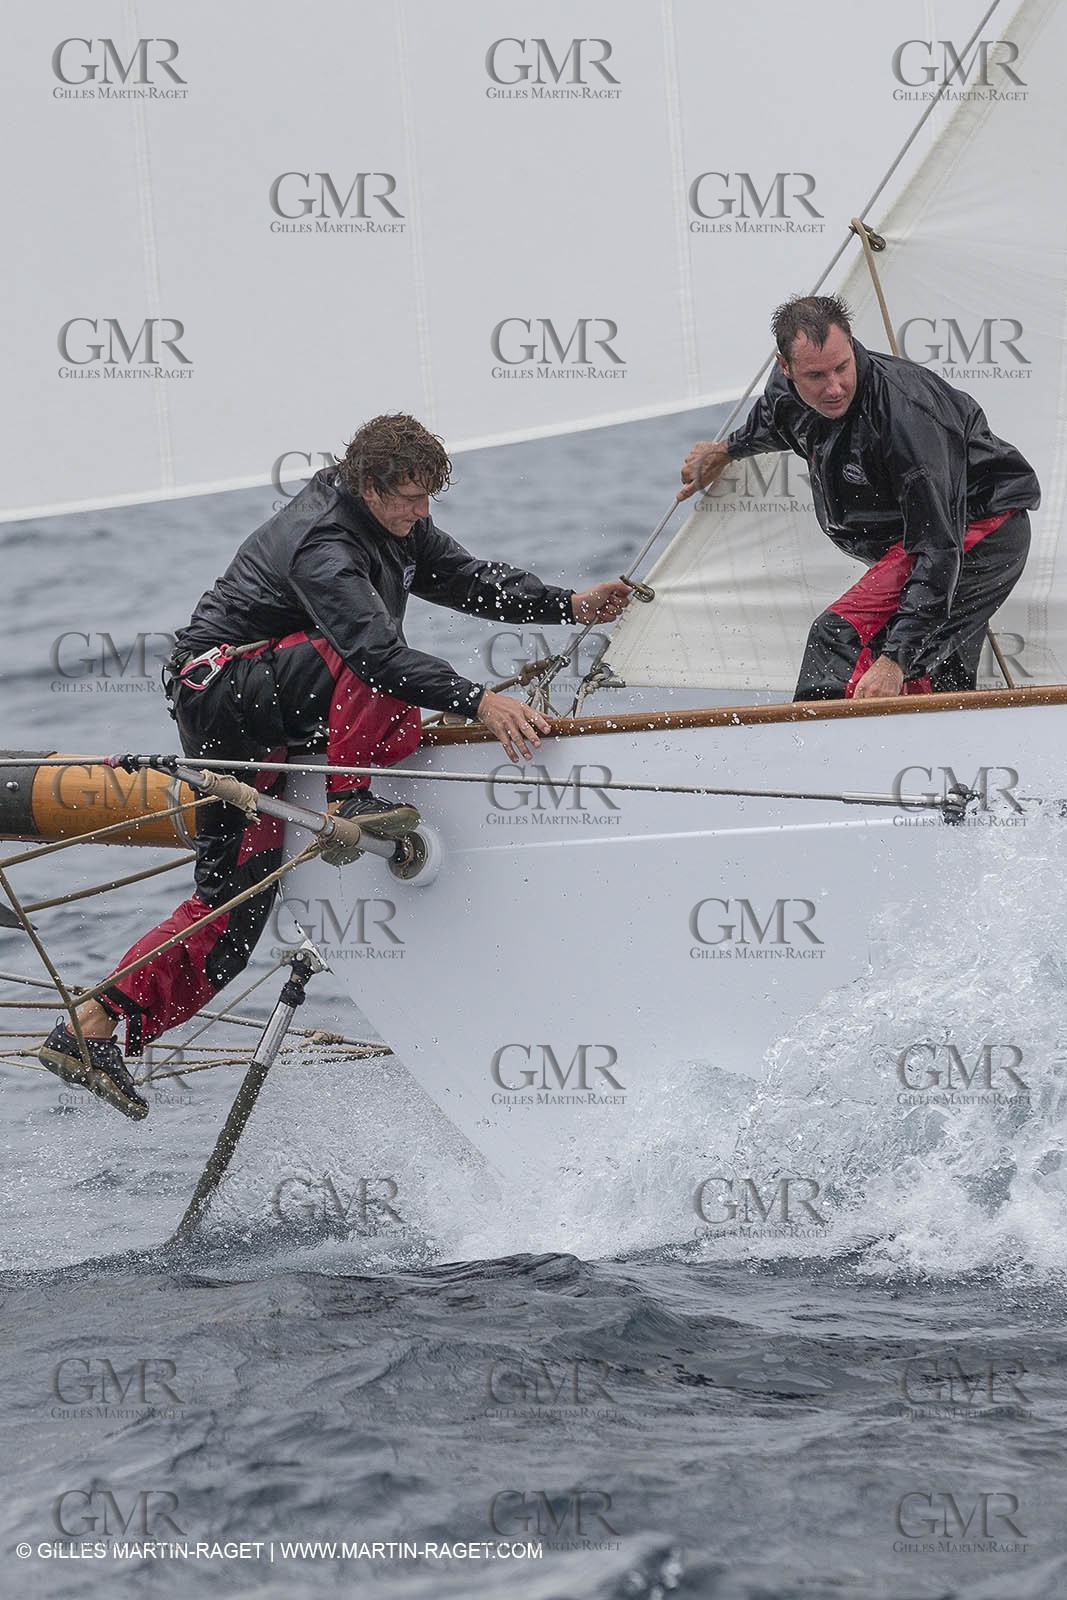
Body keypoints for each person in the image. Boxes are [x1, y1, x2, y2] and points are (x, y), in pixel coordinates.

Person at [39, 413, 631, 1118]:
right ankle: (348, 798)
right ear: (367, 485)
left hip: (263, 700)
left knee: (232, 911)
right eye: (410, 499)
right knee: (377, 659)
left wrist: (566, 605)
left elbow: (466, 579)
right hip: (223, 691)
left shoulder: (396, 524)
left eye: (429, 497)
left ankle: (96, 1024)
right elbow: (371, 656)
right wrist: (479, 701)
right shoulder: (323, 540)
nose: (422, 512)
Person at [679, 294, 1039, 702]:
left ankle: (810, 754)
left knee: (839, 639)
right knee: (936, 678)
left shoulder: (905, 418)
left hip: (977, 530)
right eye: (816, 376)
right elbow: (778, 419)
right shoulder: (789, 393)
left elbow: (938, 548)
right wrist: (725, 450)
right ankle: (935, 756)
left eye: (842, 368)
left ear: (852, 345)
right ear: (786, 368)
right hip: (921, 540)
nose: (833, 388)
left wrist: (895, 660)